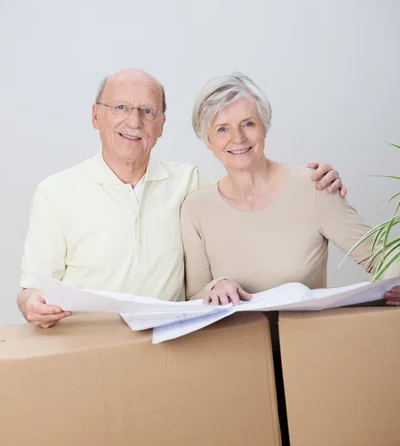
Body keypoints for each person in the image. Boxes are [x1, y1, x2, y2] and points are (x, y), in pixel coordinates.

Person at [17, 68, 347, 328]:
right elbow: (31, 289)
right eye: (120, 107)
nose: (134, 121)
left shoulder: (190, 183)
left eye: (147, 111)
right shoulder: (55, 192)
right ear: (95, 116)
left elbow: (249, 201)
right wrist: (31, 304)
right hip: (87, 345)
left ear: (161, 126)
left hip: (170, 342)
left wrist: (312, 184)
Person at [180, 72, 400, 306]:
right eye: (222, 129)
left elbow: (384, 257)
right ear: (207, 141)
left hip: (307, 339)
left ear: (264, 127)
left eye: (248, 123)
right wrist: (216, 287)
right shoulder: (196, 209)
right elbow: (194, 297)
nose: (238, 138)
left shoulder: (314, 187)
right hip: (236, 341)